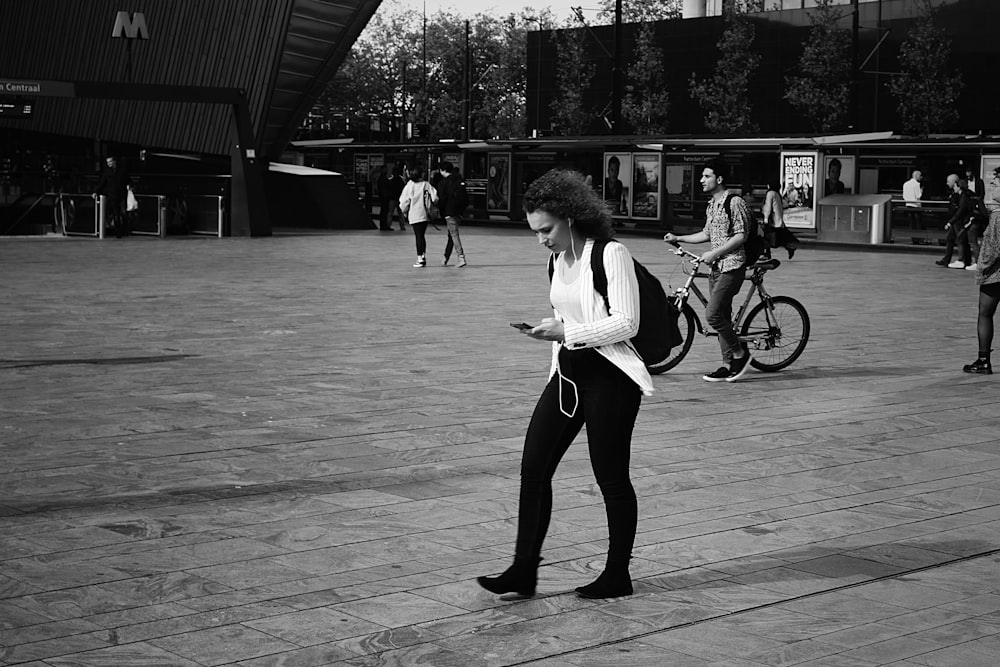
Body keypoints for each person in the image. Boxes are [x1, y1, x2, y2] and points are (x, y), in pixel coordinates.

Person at [476, 169, 652, 600]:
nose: (541, 239)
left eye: (546, 229)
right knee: (533, 469)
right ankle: (523, 570)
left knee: (611, 478)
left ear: (570, 217)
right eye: (535, 231)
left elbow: (627, 322)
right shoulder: (556, 259)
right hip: (568, 376)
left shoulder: (611, 254)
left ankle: (617, 575)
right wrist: (554, 332)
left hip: (611, 380)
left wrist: (567, 333)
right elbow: (569, 314)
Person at [663, 158, 753, 382]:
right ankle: (727, 364)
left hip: (732, 266)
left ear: (719, 179)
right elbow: (707, 234)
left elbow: (741, 235)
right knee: (722, 315)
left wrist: (714, 253)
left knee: (712, 314)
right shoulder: (712, 204)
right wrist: (678, 237)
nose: (701, 180)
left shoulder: (735, 202)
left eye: (706, 176)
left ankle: (741, 353)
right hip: (716, 268)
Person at [964, 206, 1000, 374]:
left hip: (995, 274)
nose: (992, 188)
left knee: (985, 313)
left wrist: (982, 267)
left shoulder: (997, 217)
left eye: (996, 183)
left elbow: (993, 249)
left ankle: (984, 360)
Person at [398, 165, 438, 268]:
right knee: (421, 235)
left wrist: (404, 211)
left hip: (414, 213)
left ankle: (420, 258)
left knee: (418, 236)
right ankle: (422, 256)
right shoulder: (426, 184)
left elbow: (404, 201)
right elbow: (435, 198)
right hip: (425, 213)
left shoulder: (409, 185)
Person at [937, 173, 975, 269]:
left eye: (948, 181)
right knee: (951, 238)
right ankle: (949, 259)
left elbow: (960, 210)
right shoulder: (957, 194)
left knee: (961, 239)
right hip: (956, 219)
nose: (947, 183)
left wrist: (951, 221)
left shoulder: (962, 195)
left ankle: (963, 260)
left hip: (959, 220)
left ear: (955, 183)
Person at [437, 161, 468, 267]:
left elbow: (442, 200)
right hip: (459, 212)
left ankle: (461, 257)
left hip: (449, 212)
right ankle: (446, 257)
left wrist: (440, 212)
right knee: (451, 235)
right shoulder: (459, 180)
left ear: (443, 170)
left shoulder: (442, 183)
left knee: (454, 234)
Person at [92, 156, 132, 238]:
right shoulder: (107, 172)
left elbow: (128, 180)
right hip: (113, 195)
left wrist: (130, 186)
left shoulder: (122, 171)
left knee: (124, 213)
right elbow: (102, 183)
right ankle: (118, 232)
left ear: (114, 161)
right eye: (107, 162)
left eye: (110, 162)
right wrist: (96, 191)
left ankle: (125, 230)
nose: (108, 164)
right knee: (116, 214)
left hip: (122, 194)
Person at [761, 182, 798, 259]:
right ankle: (788, 247)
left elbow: (768, 206)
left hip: (772, 219)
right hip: (778, 218)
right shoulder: (777, 194)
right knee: (777, 236)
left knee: (768, 237)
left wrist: (766, 218)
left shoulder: (770, 193)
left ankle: (767, 254)